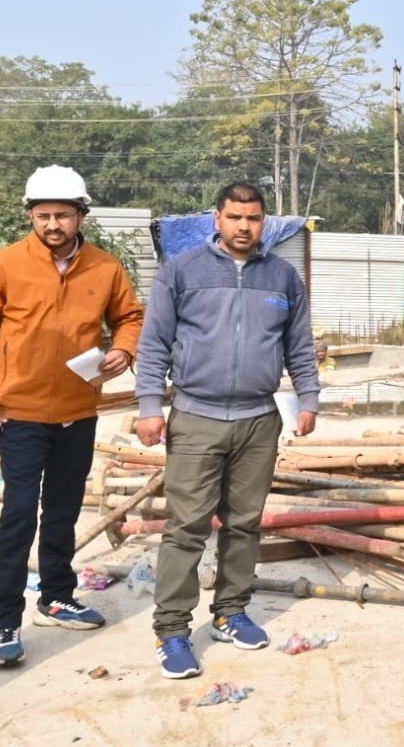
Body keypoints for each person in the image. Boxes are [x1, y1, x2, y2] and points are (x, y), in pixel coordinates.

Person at [0, 165, 145, 666]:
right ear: (31, 216)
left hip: (78, 410)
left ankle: (57, 597)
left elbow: (130, 316)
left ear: (82, 215)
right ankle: (4, 621)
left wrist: (123, 349)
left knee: (63, 509)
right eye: (43, 215)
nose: (53, 224)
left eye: (63, 214)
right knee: (18, 514)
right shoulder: (2, 265)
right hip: (18, 412)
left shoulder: (105, 268)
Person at [133, 182, 321, 679]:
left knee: (244, 524)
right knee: (186, 527)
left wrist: (308, 398)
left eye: (253, 218)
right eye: (235, 217)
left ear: (264, 222)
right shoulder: (182, 271)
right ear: (217, 219)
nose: (244, 226)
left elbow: (299, 344)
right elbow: (154, 343)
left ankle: (230, 612)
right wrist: (150, 406)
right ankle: (172, 630)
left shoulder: (282, 276)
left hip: (258, 420)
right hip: (196, 417)